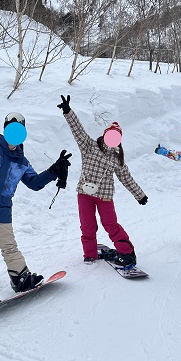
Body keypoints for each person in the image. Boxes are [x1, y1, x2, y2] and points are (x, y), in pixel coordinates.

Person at [0, 112, 70, 296]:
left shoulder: (22, 161)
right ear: (5, 128)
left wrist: (54, 170)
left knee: (9, 247)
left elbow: (35, 183)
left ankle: (19, 278)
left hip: (1, 209)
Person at [57, 95, 148, 266]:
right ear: (105, 135)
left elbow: (126, 178)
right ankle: (89, 254)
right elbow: (78, 131)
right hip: (84, 194)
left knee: (110, 225)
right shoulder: (89, 146)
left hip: (105, 197)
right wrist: (68, 112)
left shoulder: (116, 158)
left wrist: (139, 195)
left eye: (116, 137)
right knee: (87, 226)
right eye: (110, 135)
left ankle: (127, 253)